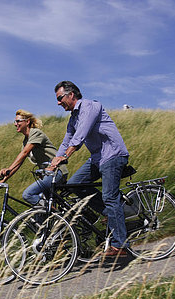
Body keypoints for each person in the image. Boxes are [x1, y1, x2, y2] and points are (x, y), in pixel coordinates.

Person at [50, 81, 130, 257]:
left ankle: (120, 244)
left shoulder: (90, 106)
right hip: (97, 158)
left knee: (110, 195)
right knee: (74, 184)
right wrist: (53, 163)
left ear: (71, 95)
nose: (58, 102)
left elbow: (81, 135)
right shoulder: (73, 119)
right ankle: (111, 214)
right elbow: (66, 140)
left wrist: (66, 156)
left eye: (60, 98)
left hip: (113, 155)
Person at [0, 109, 69, 206]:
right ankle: (55, 216)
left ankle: (54, 213)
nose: (15, 124)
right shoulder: (26, 141)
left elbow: (24, 153)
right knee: (42, 208)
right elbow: (19, 163)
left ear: (27, 122)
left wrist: (9, 169)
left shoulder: (36, 133)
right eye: (15, 121)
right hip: (47, 175)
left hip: (57, 172)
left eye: (18, 121)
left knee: (28, 194)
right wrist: (3, 180)